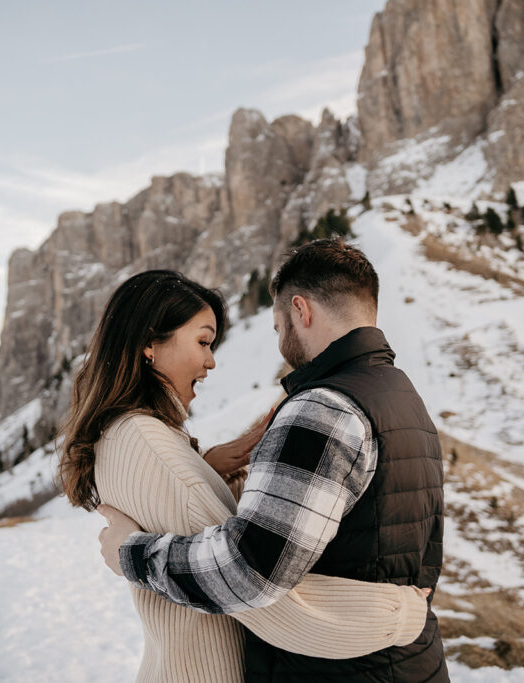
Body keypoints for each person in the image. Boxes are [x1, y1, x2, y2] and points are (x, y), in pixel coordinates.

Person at [97, 242, 449, 682]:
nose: (281, 342)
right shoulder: (401, 398)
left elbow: (250, 573)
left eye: (278, 325)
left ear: (301, 310)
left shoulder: (324, 407)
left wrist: (131, 555)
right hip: (407, 667)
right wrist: (211, 469)